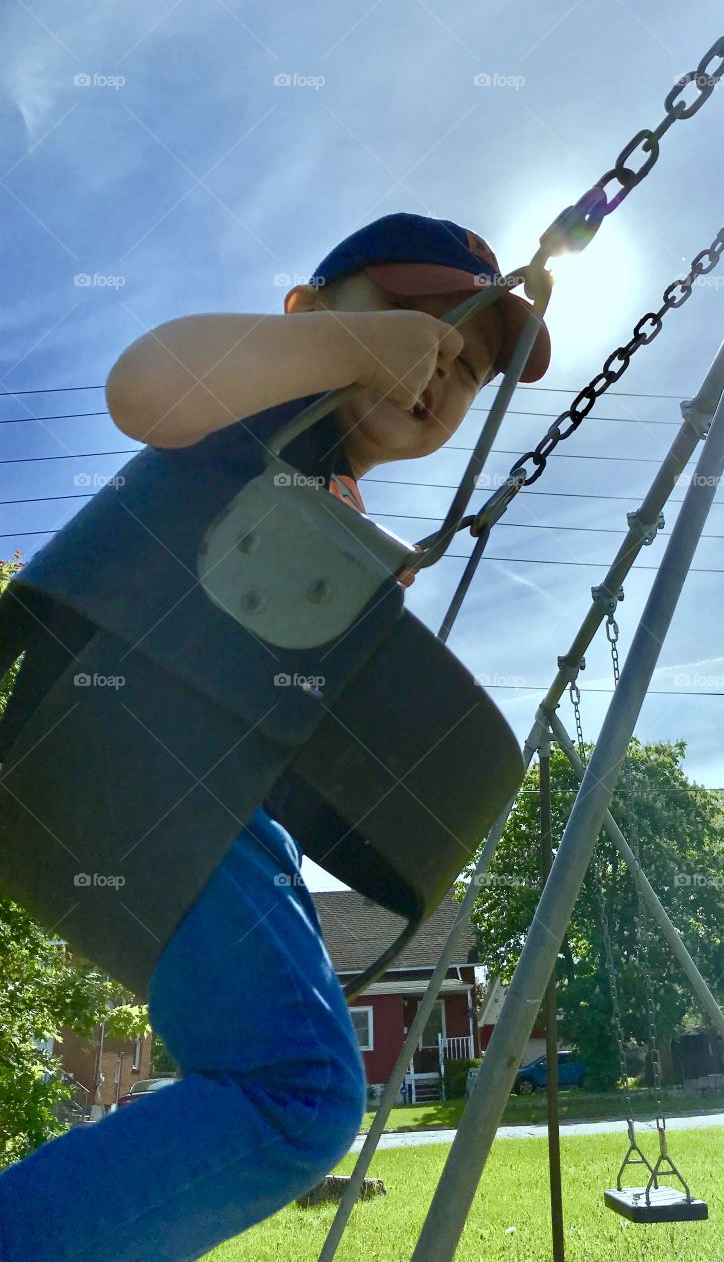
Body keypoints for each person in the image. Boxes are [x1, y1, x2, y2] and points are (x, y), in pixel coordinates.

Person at [0, 212, 550, 1262]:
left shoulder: (326, 503)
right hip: (121, 743)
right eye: (417, 319)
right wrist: (348, 351)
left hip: (194, 782)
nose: (441, 360)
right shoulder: (251, 404)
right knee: (296, 1087)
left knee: (289, 1072)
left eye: (472, 363)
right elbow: (142, 385)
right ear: (305, 310)